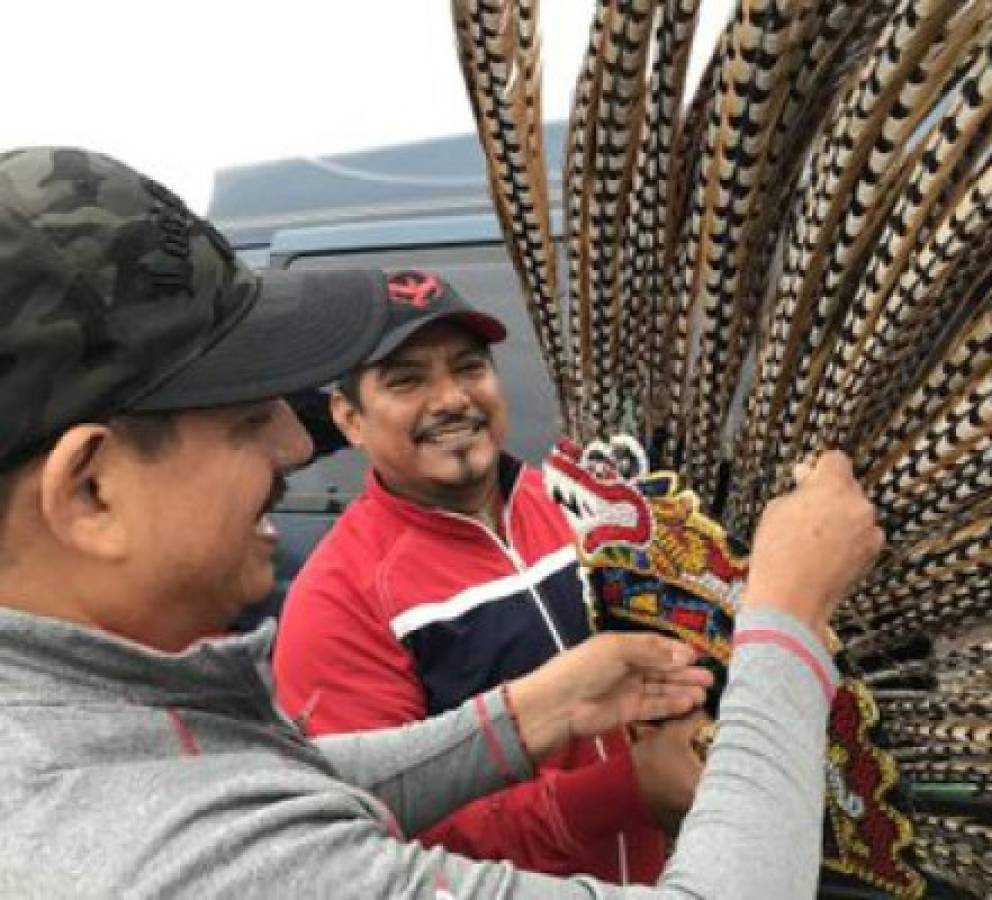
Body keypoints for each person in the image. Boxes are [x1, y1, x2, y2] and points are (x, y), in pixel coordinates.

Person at [0, 147, 884, 898]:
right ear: (89, 492)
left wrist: (540, 707)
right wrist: (786, 619)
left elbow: (278, 781)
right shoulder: (179, 854)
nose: (290, 443)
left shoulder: (86, 732)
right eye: (243, 417)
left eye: (469, 366)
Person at [272, 270, 699, 881]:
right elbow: (388, 830)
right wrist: (624, 792)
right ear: (349, 419)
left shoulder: (584, 506)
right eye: (408, 379)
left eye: (469, 368)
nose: (451, 398)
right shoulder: (338, 598)